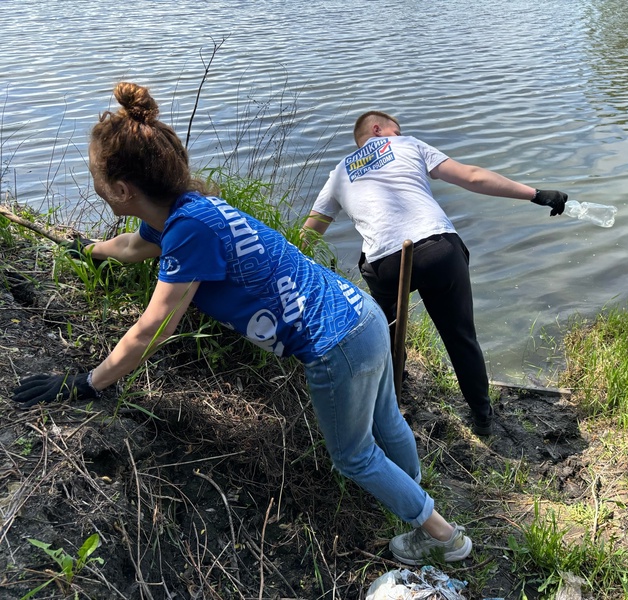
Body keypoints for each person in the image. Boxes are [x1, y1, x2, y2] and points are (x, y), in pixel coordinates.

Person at [10, 82, 472, 566]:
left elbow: (154, 328)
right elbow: (132, 247)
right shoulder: (186, 211)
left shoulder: (187, 230)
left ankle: (442, 536)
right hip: (361, 313)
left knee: (354, 456)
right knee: (386, 420)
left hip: (334, 346)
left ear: (122, 189)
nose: (93, 181)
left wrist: (88, 382)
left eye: (95, 175)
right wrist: (89, 251)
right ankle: (413, 495)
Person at [302, 111, 569, 436]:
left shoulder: (340, 173)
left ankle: (389, 401)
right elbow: (471, 176)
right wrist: (535, 194)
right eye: (396, 130)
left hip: (386, 266)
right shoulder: (408, 145)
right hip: (438, 250)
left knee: (382, 335)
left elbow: (309, 233)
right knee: (459, 337)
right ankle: (482, 417)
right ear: (378, 129)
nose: (400, 134)